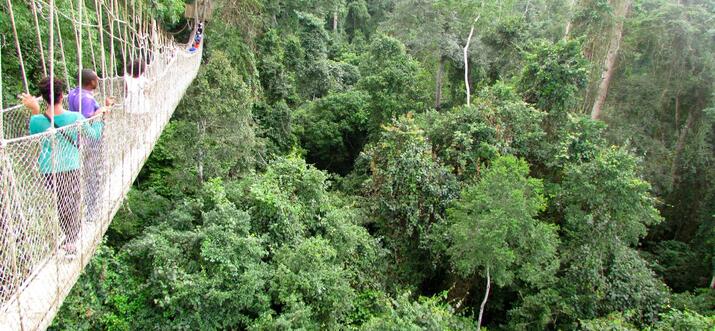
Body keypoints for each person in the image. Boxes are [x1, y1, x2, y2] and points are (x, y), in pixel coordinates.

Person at [21, 77, 103, 258]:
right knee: (70, 203)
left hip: (48, 169)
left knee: (62, 201)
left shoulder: (36, 120)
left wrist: (35, 110)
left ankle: (69, 238)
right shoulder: (75, 118)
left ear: (43, 98)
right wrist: (98, 118)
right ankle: (71, 242)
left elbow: (37, 135)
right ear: (62, 96)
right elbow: (94, 136)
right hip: (70, 166)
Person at [67, 69, 113, 222]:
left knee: (88, 175)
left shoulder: (73, 93)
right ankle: (92, 213)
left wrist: (104, 107)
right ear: (90, 82)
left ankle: (89, 209)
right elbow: (87, 122)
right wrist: (101, 111)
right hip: (90, 142)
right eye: (96, 78)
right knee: (93, 175)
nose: (99, 80)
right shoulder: (85, 98)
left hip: (79, 141)